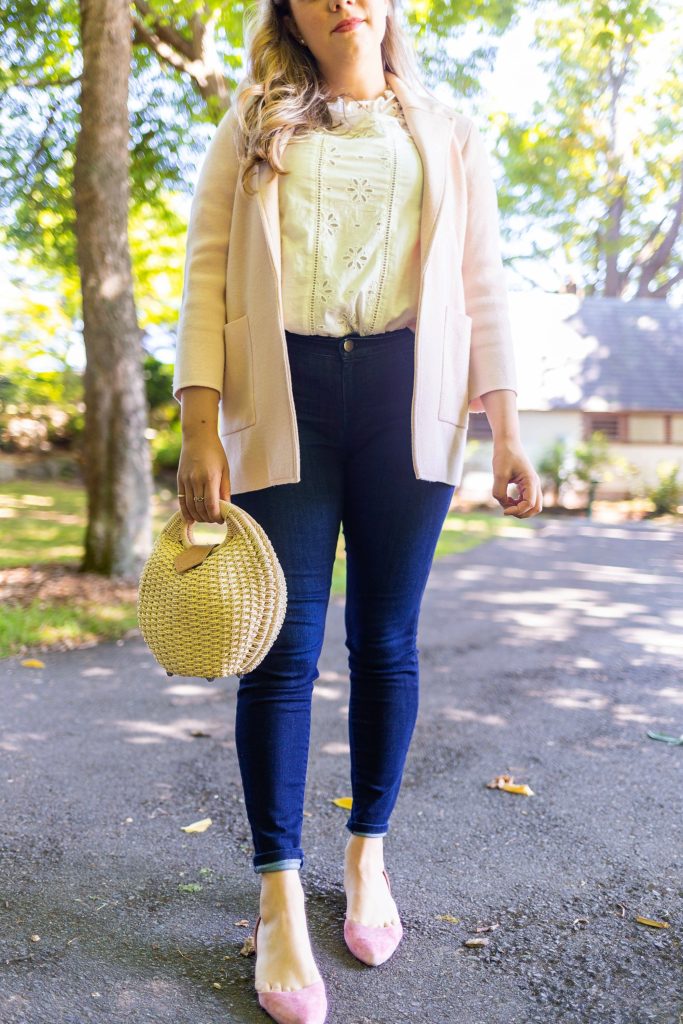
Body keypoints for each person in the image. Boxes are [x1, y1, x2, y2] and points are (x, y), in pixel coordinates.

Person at [173, 1, 543, 1021]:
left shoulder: (448, 130)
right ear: (289, 10)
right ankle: (278, 888)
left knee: (385, 640)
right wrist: (197, 425)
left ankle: (367, 854)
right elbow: (205, 274)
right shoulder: (252, 120)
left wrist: (505, 425)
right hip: (280, 394)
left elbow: (482, 287)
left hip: (406, 395)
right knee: (280, 649)